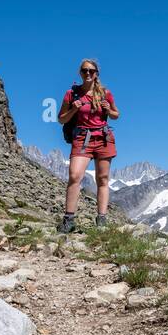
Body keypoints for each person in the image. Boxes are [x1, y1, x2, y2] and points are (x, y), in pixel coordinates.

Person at [57, 58, 119, 232]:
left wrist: (108, 110)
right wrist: (74, 109)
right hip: (82, 138)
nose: (88, 73)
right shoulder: (71, 94)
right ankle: (69, 220)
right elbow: (61, 119)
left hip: (103, 138)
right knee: (75, 175)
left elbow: (116, 114)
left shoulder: (105, 93)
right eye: (85, 70)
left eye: (91, 71)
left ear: (96, 73)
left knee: (103, 179)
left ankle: (102, 220)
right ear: (80, 73)